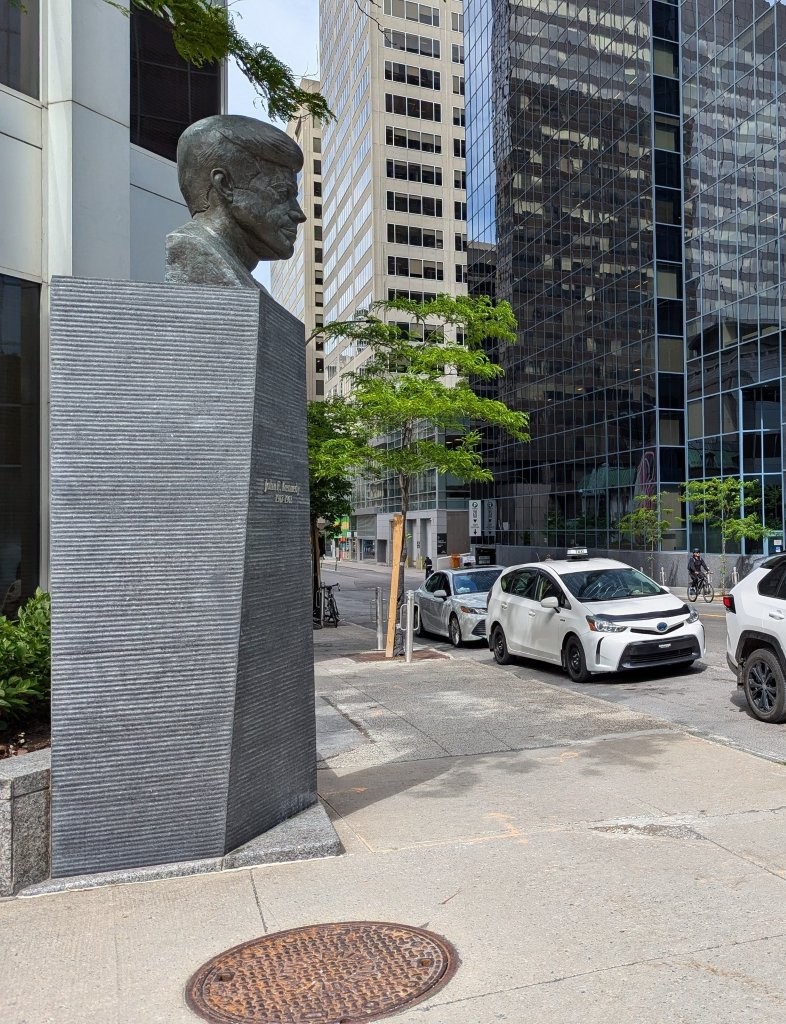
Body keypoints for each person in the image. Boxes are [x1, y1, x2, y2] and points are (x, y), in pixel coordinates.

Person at [165, 115, 307, 289]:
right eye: (282, 193)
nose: (299, 215)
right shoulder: (197, 254)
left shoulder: (249, 284)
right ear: (225, 185)